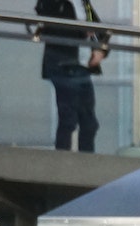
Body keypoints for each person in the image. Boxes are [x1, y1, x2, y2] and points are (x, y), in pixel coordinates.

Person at [36, 0, 100, 153]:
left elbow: (98, 27)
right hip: (62, 64)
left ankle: (87, 162)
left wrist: (100, 50)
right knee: (68, 118)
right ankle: (62, 161)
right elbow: (50, 24)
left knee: (89, 122)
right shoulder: (55, 3)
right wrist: (82, 31)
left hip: (83, 65)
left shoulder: (84, 3)